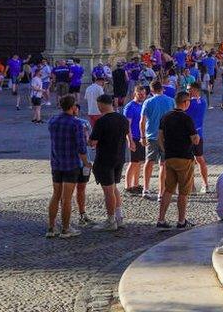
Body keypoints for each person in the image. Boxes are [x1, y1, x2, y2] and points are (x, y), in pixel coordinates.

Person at [47, 95, 91, 238]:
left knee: (55, 195)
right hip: (71, 164)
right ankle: (66, 229)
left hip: (56, 163)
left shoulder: (52, 121)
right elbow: (81, 147)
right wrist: (86, 163)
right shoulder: (76, 124)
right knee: (67, 198)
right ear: (73, 107)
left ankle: (51, 227)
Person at [156, 91, 199, 229]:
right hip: (184, 158)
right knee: (183, 192)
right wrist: (197, 137)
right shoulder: (187, 119)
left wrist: (164, 151)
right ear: (185, 102)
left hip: (170, 157)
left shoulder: (165, 117)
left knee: (168, 190)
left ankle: (161, 220)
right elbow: (194, 139)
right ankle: (181, 221)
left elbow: (159, 137)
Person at [88, 94, 131, 230]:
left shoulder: (101, 121)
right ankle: (119, 217)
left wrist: (88, 140)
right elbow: (126, 135)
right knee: (114, 188)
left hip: (105, 159)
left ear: (101, 104)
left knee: (108, 191)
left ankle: (111, 220)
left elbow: (93, 142)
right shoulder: (123, 119)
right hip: (119, 157)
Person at [140, 81, 175, 198]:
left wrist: (142, 136)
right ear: (162, 89)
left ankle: (145, 188)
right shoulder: (171, 101)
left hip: (151, 135)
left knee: (149, 161)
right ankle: (161, 192)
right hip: (167, 136)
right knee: (163, 164)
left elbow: (142, 121)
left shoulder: (148, 102)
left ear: (151, 91)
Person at [123, 85, 148, 193]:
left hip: (141, 137)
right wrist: (130, 140)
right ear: (135, 94)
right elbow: (126, 125)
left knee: (139, 162)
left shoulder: (142, 105)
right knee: (133, 162)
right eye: (140, 94)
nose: (142, 96)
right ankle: (128, 186)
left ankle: (136, 184)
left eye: (143, 94)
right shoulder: (130, 107)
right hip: (134, 137)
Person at [187, 82, 209, 193]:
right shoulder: (203, 102)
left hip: (189, 135)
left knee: (191, 161)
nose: (188, 91)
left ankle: (192, 186)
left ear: (196, 90)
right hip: (198, 134)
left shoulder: (189, 103)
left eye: (189, 89)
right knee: (200, 159)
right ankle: (205, 184)